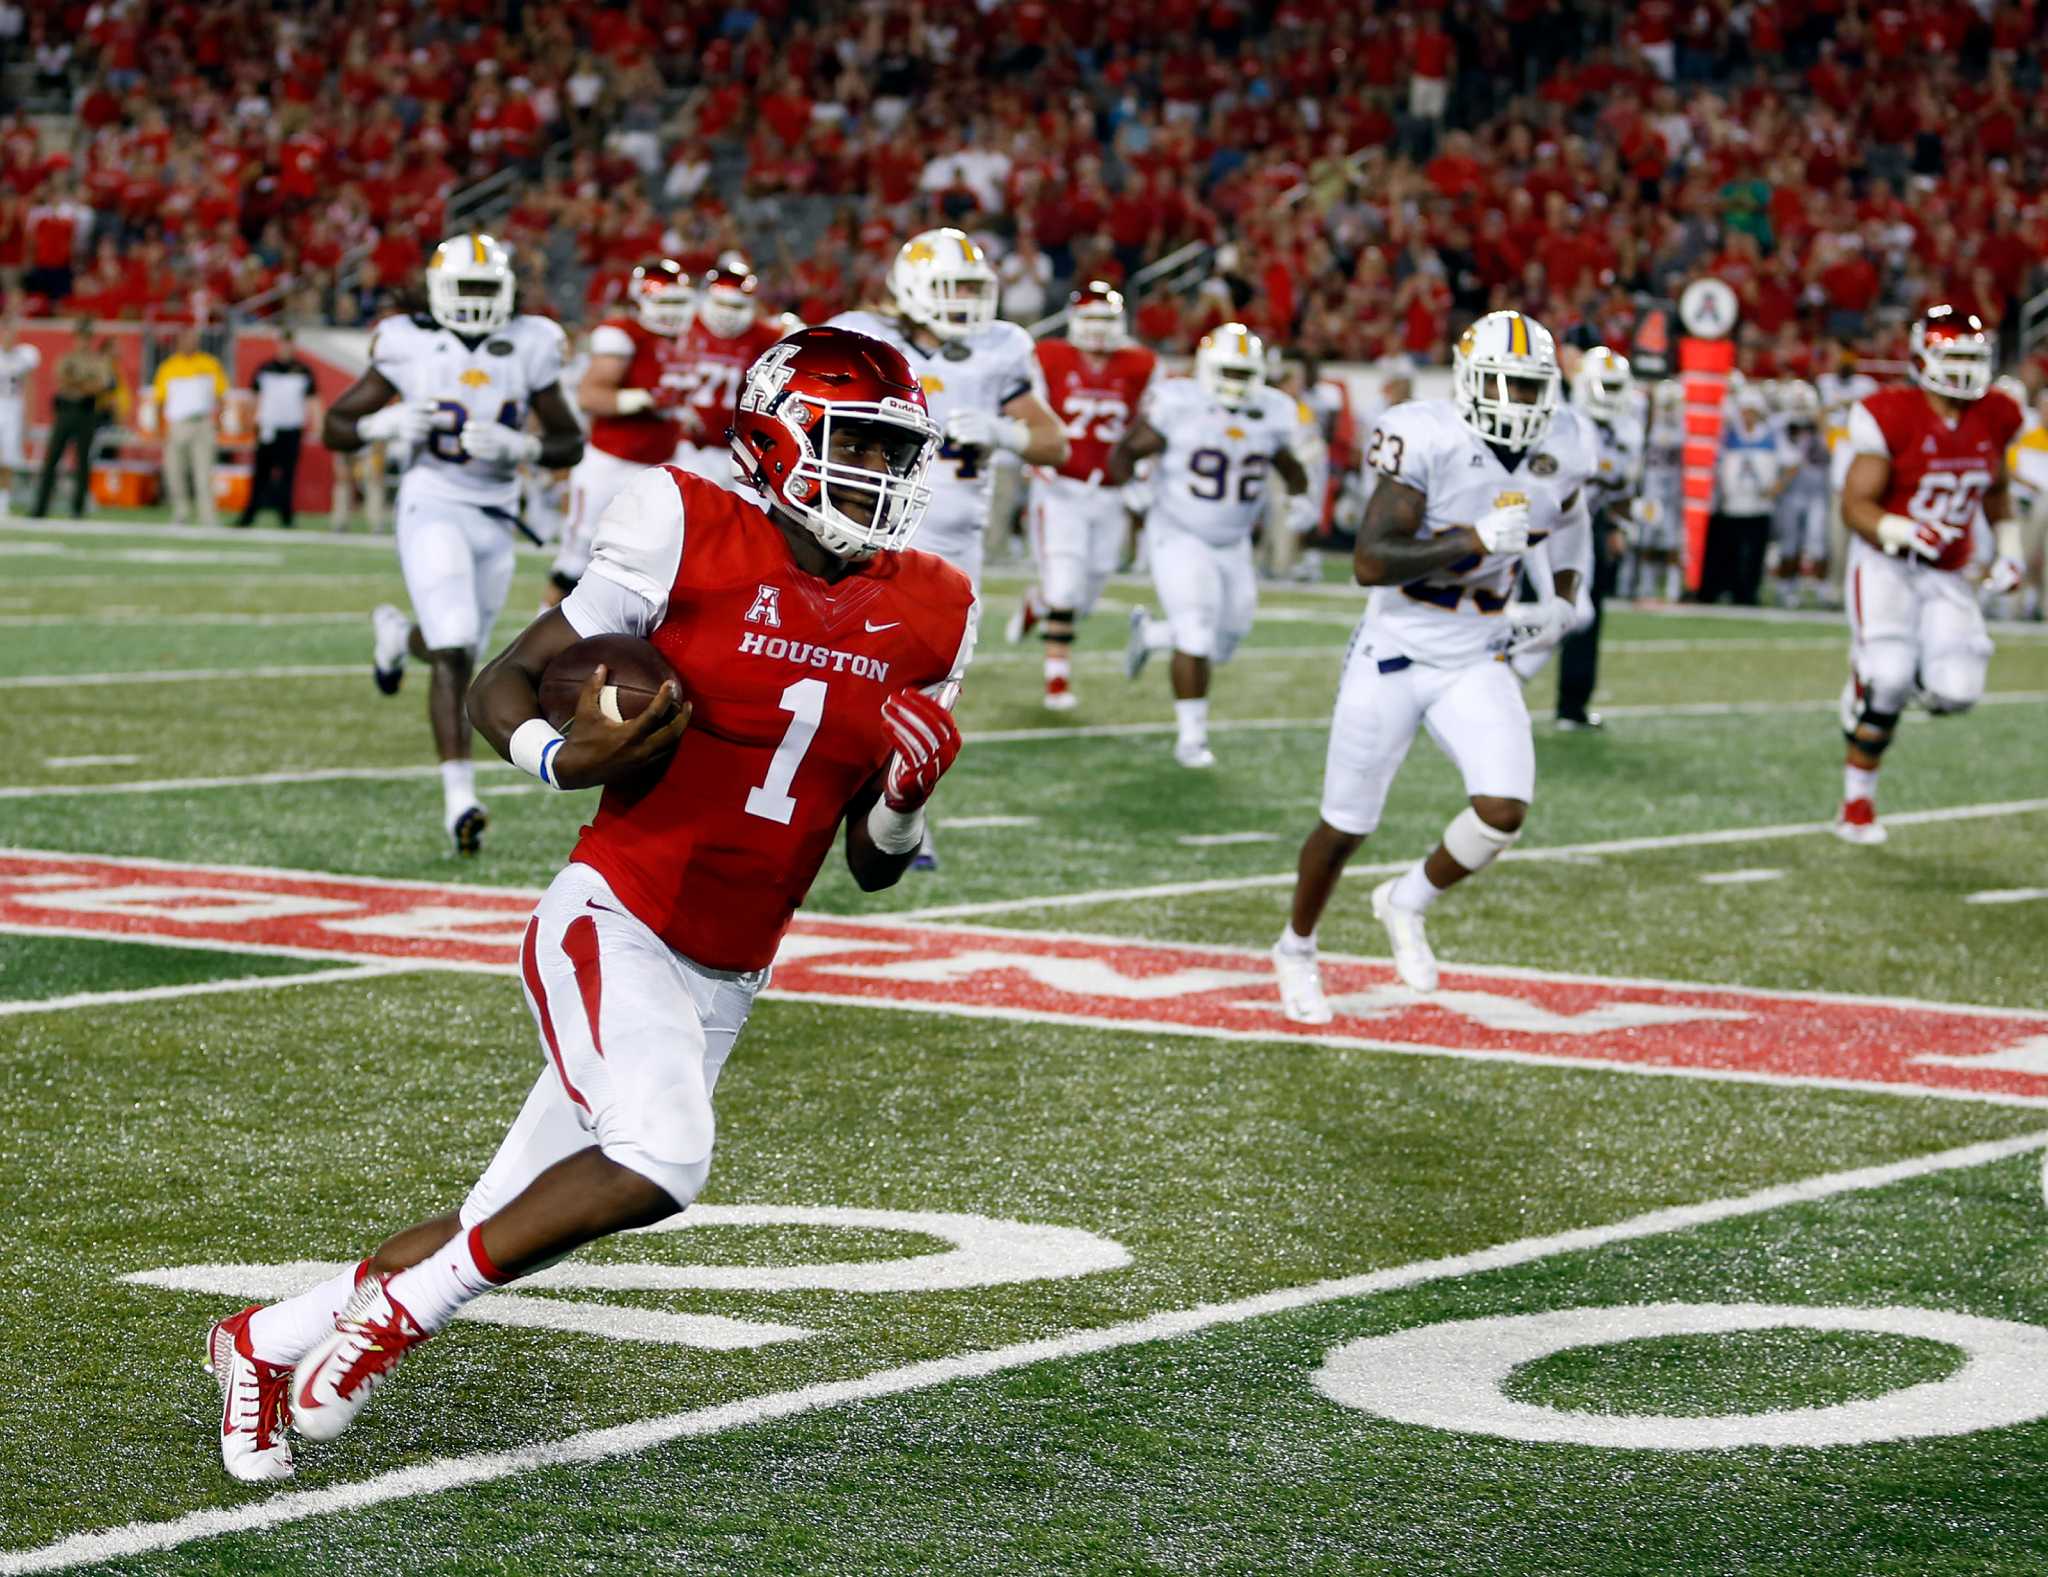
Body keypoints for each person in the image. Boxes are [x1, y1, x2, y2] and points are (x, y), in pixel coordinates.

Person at [203, 328, 975, 1485]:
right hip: (615, 910)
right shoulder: (681, 518)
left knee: (511, 1217)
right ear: (775, 435)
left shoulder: (936, 606)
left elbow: (868, 864)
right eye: (854, 438)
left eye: (892, 447)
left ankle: (261, 1340)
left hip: (731, 964)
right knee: (663, 1156)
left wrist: (908, 805)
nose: (878, 468)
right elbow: (506, 679)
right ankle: (390, 1324)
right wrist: (562, 761)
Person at [1270, 310, 1595, 1019]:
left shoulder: (1565, 441)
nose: (1520, 403)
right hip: (1394, 650)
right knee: (1346, 824)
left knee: (1504, 808)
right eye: (1505, 385)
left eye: (1532, 388)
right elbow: (1369, 561)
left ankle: (1407, 899)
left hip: (1477, 652)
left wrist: (1566, 596)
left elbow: (1571, 522)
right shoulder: (1426, 434)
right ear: (1471, 382)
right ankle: (1296, 946)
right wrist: (1469, 539)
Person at [326, 232, 585, 855]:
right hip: (432, 501)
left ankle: (395, 636)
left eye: (484, 290)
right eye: (462, 289)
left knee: (459, 643)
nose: (472, 302)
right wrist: (376, 425)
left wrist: (522, 447)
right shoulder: (405, 341)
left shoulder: (533, 341)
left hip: (495, 513)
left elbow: (568, 442)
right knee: (453, 644)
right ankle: (459, 798)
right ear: (438, 291)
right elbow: (335, 426)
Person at [830, 226, 1067, 865]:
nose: (964, 301)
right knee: (839, 669)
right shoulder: (863, 335)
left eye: (971, 287)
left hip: (956, 550)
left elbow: (1055, 444)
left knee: (929, 691)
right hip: (865, 530)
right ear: (911, 287)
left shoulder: (1001, 348)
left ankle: (899, 813)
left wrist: (1004, 433)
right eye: (950, 287)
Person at [1834, 307, 2024, 845]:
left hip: (1947, 569)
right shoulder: (1890, 413)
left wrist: (2009, 550)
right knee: (1889, 679)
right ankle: (1856, 804)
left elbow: (1996, 490)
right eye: (1953, 357)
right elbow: (1855, 504)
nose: (1964, 371)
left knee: (1958, 690)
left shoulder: (1997, 413)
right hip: (1886, 562)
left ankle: (1891, 674)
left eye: (1972, 358)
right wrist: (1899, 527)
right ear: (1922, 360)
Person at [1108, 324, 1316, 768]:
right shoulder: (1181, 404)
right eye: (1229, 372)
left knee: (1226, 641)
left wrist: (1300, 497)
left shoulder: (1274, 410)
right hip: (1179, 530)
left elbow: (1287, 462)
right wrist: (1130, 492)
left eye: (1246, 374)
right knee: (1197, 632)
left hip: (1234, 540)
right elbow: (1125, 452)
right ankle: (1191, 739)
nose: (1237, 383)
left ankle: (1151, 635)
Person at [1006, 281, 1158, 709]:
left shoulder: (1142, 363)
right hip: (1060, 489)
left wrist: (1142, 476)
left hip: (1110, 492)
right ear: (1074, 321)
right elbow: (1027, 408)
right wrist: (1032, 452)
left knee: (1087, 593)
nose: (1096, 329)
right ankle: (1057, 679)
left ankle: (1038, 602)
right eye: (1089, 318)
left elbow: (1149, 424)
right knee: (1067, 587)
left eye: (1105, 320)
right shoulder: (1049, 356)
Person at [1515, 345, 1653, 730]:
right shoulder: (1562, 421)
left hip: (1580, 525)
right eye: (1603, 386)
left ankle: (1510, 679)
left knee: (1579, 615)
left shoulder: (1627, 429)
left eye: (1615, 387)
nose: (1609, 395)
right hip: (1539, 524)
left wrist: (1620, 526)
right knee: (1563, 612)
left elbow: (1620, 490)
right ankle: (1499, 678)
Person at [548, 258, 696, 604]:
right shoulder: (623, 334)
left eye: (677, 303)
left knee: (652, 564)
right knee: (575, 560)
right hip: (610, 464)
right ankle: (541, 631)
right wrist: (642, 399)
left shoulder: (689, 338)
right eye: (664, 303)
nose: (671, 312)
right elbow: (591, 395)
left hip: (660, 466)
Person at [669, 259, 784, 486]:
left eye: (736, 306)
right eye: (721, 304)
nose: (727, 314)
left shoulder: (769, 335)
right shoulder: (683, 327)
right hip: (693, 445)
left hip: (744, 450)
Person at [1700, 387, 1793, 605]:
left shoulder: (1771, 434)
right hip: (1732, 504)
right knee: (1729, 551)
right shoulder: (1729, 434)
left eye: (1751, 411)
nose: (1747, 416)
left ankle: (1749, 593)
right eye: (1744, 411)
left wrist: (1776, 487)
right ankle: (1730, 589)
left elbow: (1792, 462)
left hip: (1759, 505)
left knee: (1755, 553)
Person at [29, 317, 115, 519]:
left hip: (86, 412)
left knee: (83, 462)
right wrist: (85, 384)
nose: (83, 342)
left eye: (86, 338)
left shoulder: (98, 361)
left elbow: (101, 386)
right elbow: (63, 381)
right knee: (52, 460)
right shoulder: (67, 358)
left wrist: (80, 384)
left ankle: (77, 509)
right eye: (80, 337)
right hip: (66, 411)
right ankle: (40, 508)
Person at [237, 329, 318, 528]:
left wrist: (317, 424)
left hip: (291, 428)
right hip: (268, 427)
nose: (286, 348)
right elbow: (253, 397)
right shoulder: (265, 368)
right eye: (283, 344)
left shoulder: (303, 371)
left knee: (288, 475)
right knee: (260, 474)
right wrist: (248, 422)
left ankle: (286, 517)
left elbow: (313, 400)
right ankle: (250, 514)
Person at [153, 326, 228, 528]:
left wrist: (219, 420)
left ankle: (208, 516)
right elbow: (160, 401)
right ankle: (181, 512)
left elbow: (221, 396)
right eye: (187, 339)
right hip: (177, 424)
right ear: (178, 342)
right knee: (174, 471)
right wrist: (159, 427)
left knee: (204, 472)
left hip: (202, 422)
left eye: (193, 339)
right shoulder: (168, 367)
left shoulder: (209, 363)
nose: (191, 343)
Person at [1768, 380, 1829, 608]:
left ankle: (1822, 589)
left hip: (1816, 490)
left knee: (1819, 541)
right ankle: (1786, 587)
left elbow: (1832, 447)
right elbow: (1786, 459)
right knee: (1789, 542)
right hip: (1791, 491)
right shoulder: (1780, 424)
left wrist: (1822, 423)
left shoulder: (1820, 423)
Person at [0, 316, 38, 514]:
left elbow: (30, 387)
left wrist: (29, 416)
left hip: (13, 407)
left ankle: (3, 502)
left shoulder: (23, 356)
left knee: (8, 457)